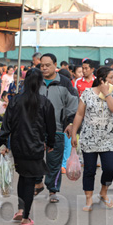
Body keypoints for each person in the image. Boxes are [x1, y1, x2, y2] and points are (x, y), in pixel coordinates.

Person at [0, 68, 56, 225]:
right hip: (36, 146)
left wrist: (3, 142)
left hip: (18, 145)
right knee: (30, 180)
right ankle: (25, 217)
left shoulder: (16, 100)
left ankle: (20, 209)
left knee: (23, 176)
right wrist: (51, 143)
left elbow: (6, 123)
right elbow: (51, 126)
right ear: (39, 83)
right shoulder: (45, 102)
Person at [70, 66, 113, 212]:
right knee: (89, 170)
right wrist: (74, 133)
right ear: (102, 79)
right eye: (111, 77)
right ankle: (89, 199)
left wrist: (107, 94)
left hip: (108, 138)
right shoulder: (87, 93)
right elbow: (79, 115)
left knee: (110, 168)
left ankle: (103, 192)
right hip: (89, 138)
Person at [35, 53, 78, 203]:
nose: (44, 68)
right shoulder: (36, 81)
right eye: (42, 65)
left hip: (58, 129)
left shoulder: (65, 82)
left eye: (48, 65)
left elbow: (72, 104)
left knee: (54, 163)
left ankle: (53, 190)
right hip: (36, 130)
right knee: (36, 159)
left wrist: (71, 123)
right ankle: (38, 183)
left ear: (55, 65)